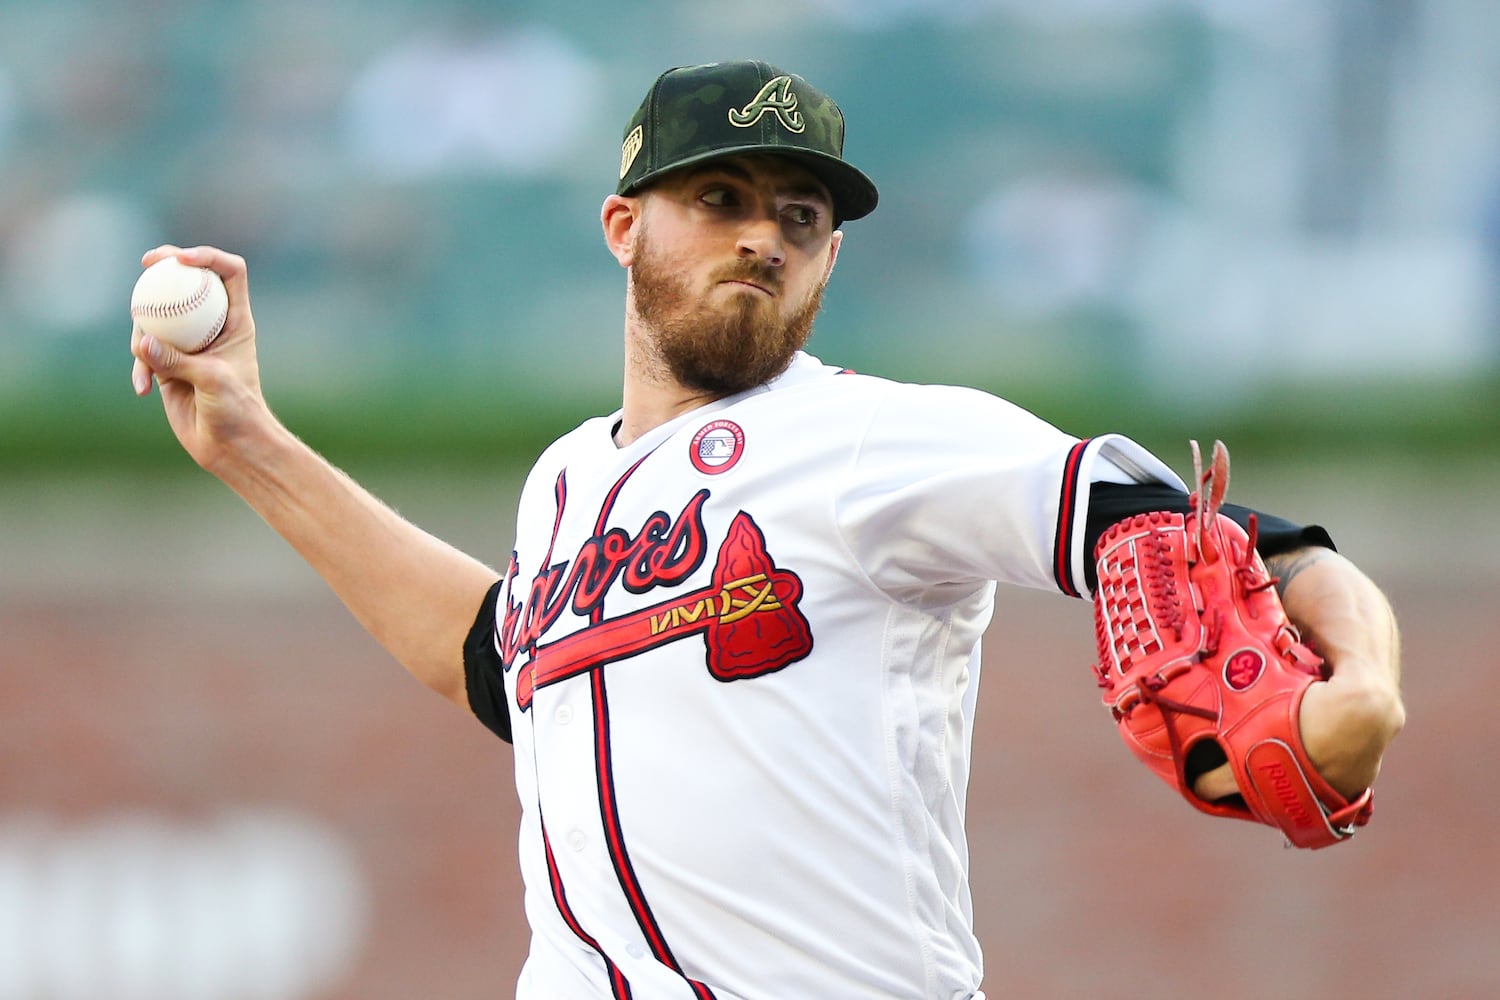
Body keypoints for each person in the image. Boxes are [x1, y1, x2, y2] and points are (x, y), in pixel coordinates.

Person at [129, 61, 1404, 1000]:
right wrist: (248, 441)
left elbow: (1206, 533)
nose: (763, 236)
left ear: (831, 262)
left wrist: (1365, 682)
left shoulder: (872, 440)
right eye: (721, 195)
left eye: (801, 216)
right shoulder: (566, 480)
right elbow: (500, 665)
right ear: (625, 226)